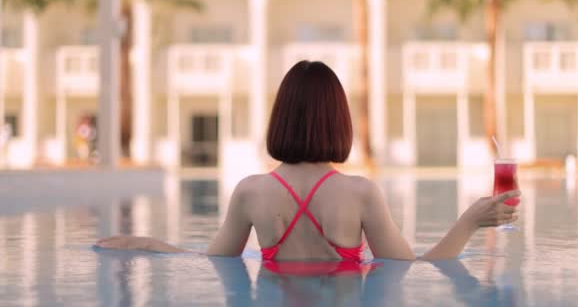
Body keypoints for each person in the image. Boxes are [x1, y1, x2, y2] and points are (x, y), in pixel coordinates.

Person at [96, 60, 520, 262]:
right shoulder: (360, 194)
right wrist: (468, 221)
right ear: (340, 121)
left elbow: (212, 260)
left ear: (280, 116)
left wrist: (145, 244)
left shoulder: (250, 191)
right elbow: (418, 267)